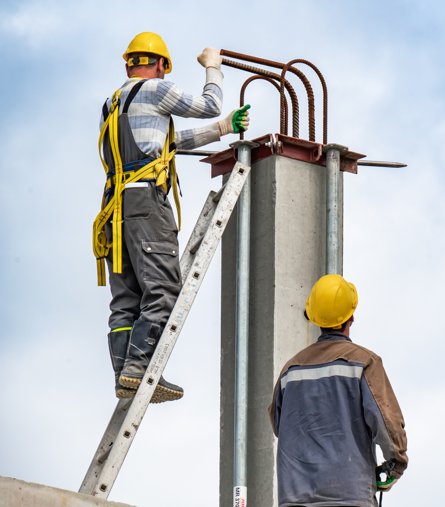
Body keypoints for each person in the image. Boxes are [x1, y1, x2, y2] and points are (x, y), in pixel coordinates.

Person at [94, 32, 250, 403]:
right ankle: (139, 369)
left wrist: (223, 129)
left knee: (127, 298)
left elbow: (167, 143)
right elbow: (210, 104)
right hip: (146, 202)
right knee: (163, 288)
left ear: (129, 62)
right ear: (161, 64)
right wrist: (213, 66)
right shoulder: (156, 90)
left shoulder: (113, 102)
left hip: (116, 206)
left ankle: (124, 375)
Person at [269, 274, 409, 507]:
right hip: (349, 498)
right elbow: (387, 423)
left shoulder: (290, 371)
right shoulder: (364, 362)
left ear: (313, 317)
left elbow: (278, 425)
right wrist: (395, 464)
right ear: (350, 317)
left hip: (295, 499)